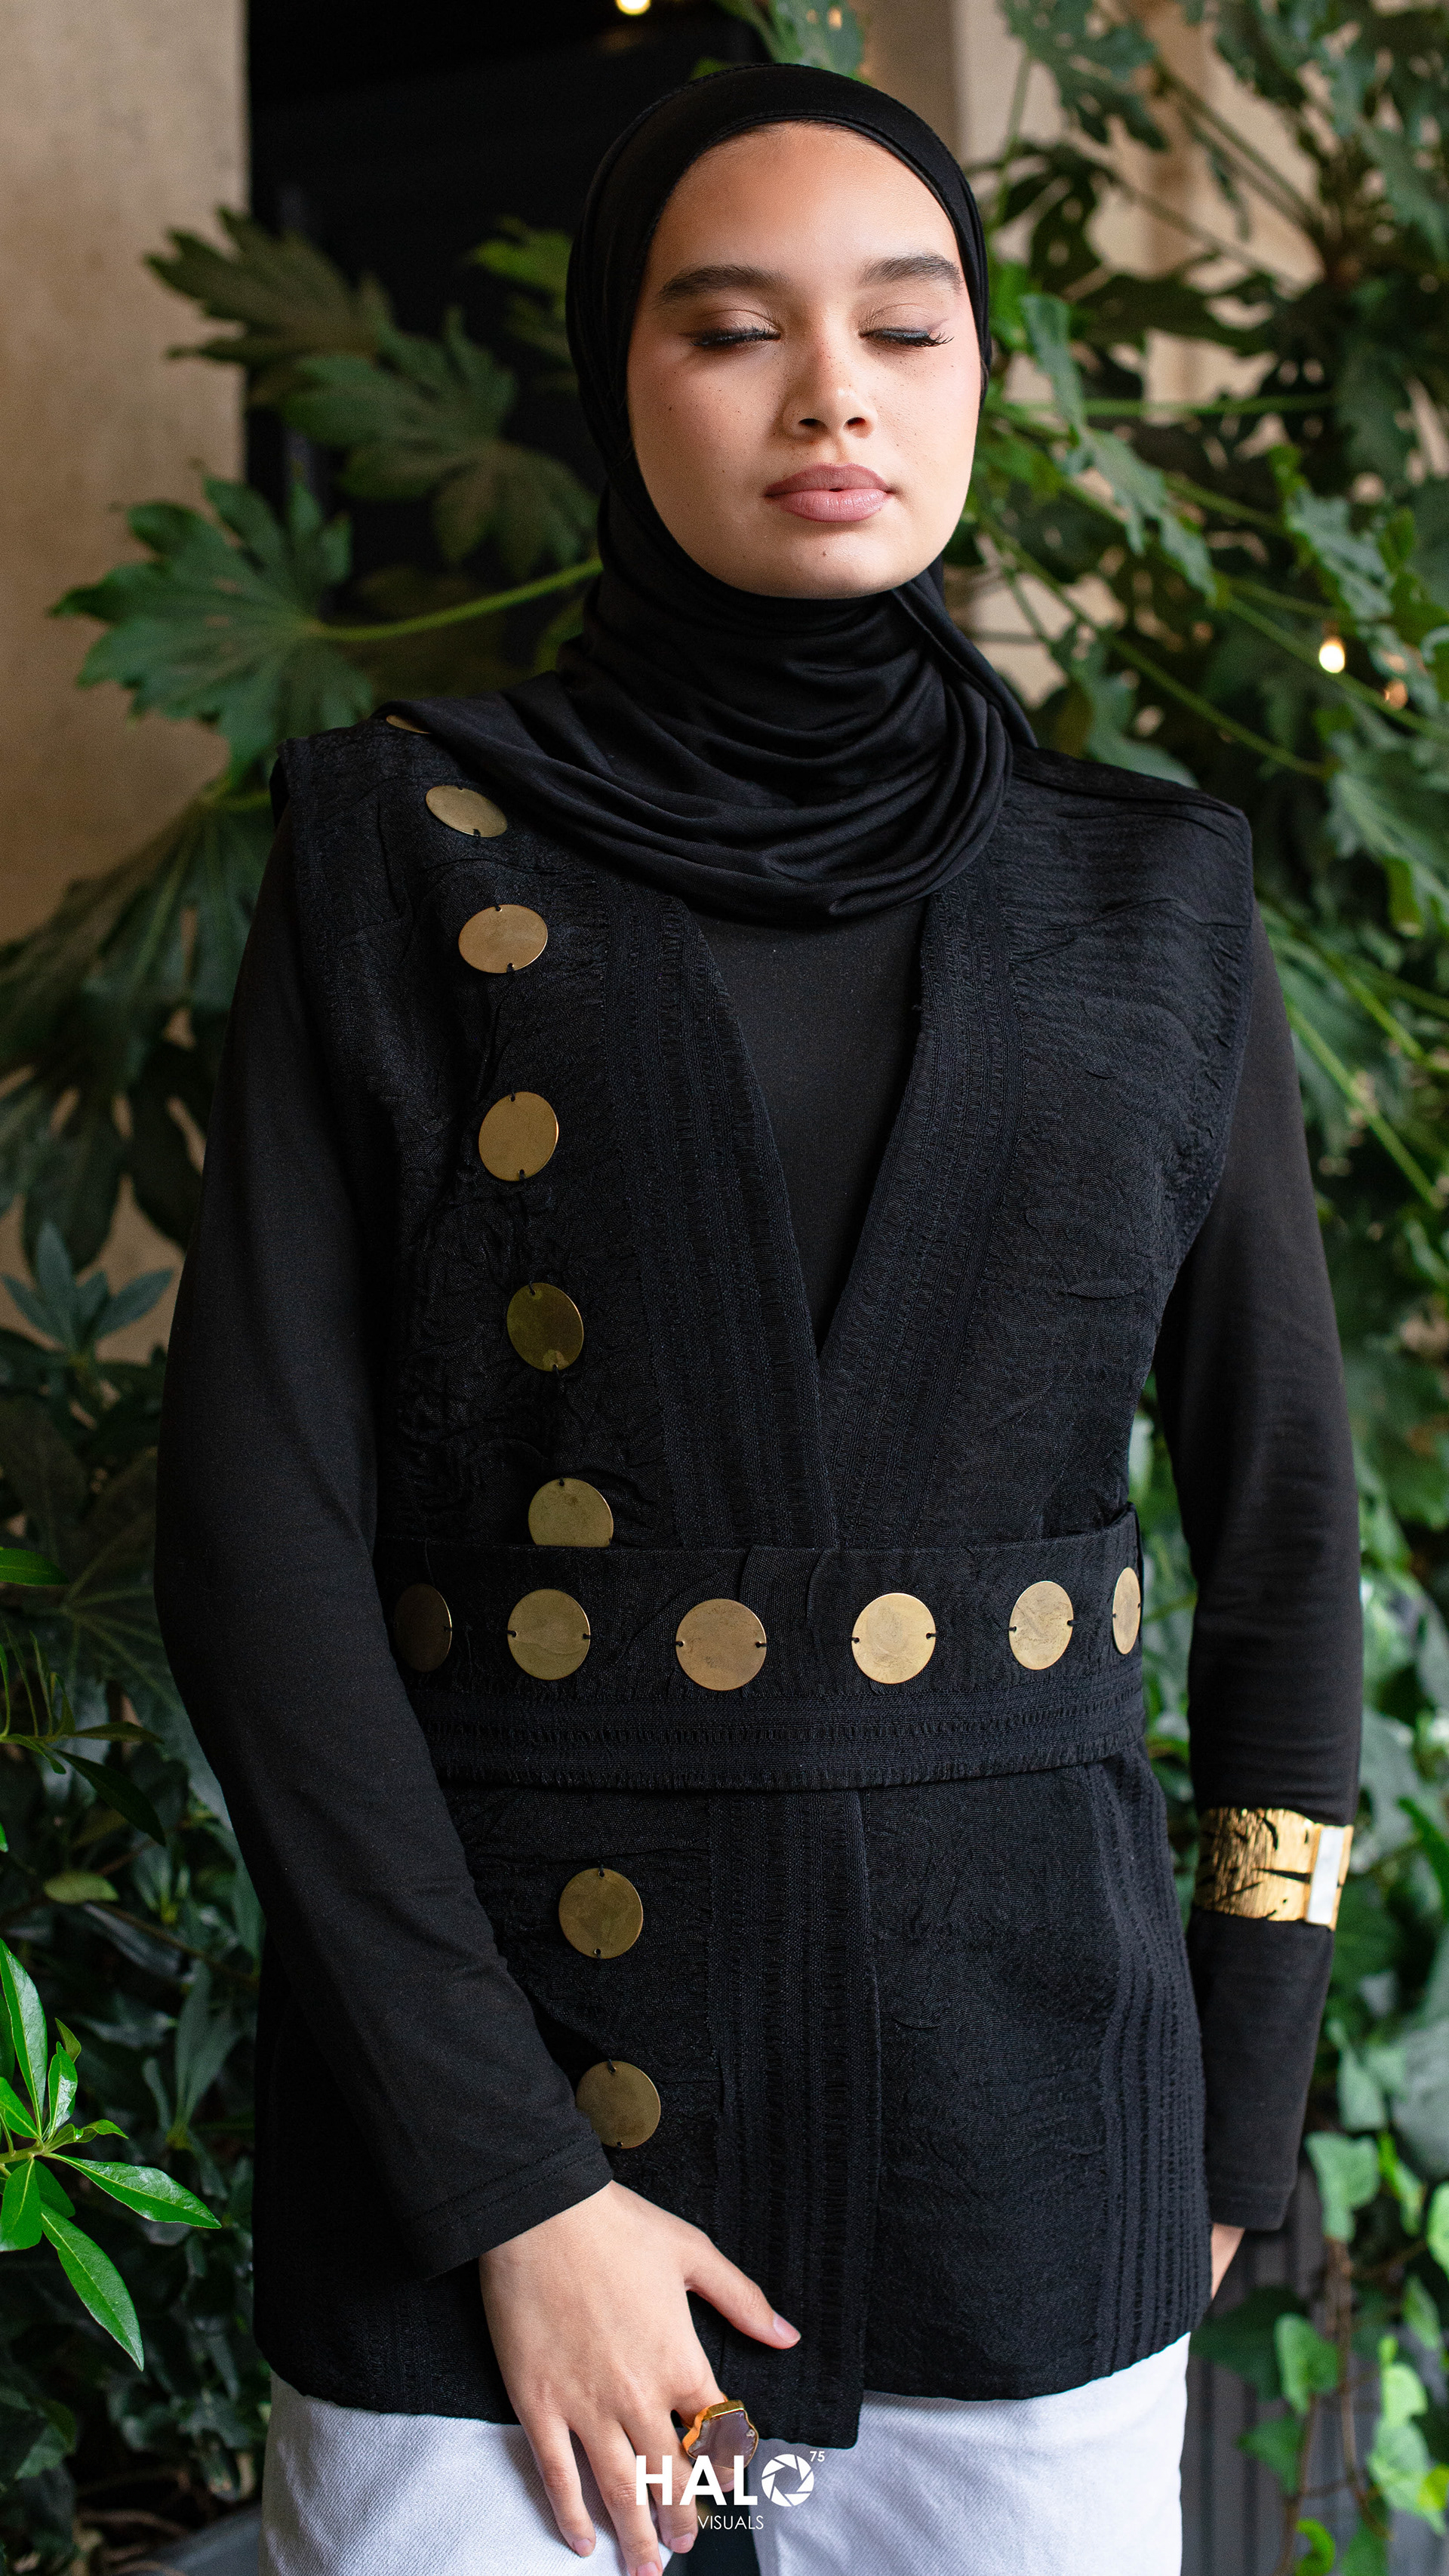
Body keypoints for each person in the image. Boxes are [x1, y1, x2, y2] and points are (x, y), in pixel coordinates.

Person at [154, 61, 1362, 2576]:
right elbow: (258, 1553)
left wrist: (1238, 2105)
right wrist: (515, 2184)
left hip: (1028, 2135)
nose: (834, 395)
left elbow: (1283, 1542)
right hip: (492, 2147)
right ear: (616, 382)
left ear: (980, 379)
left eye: (906, 330)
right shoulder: (401, 846)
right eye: (732, 330)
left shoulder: (1152, 896)